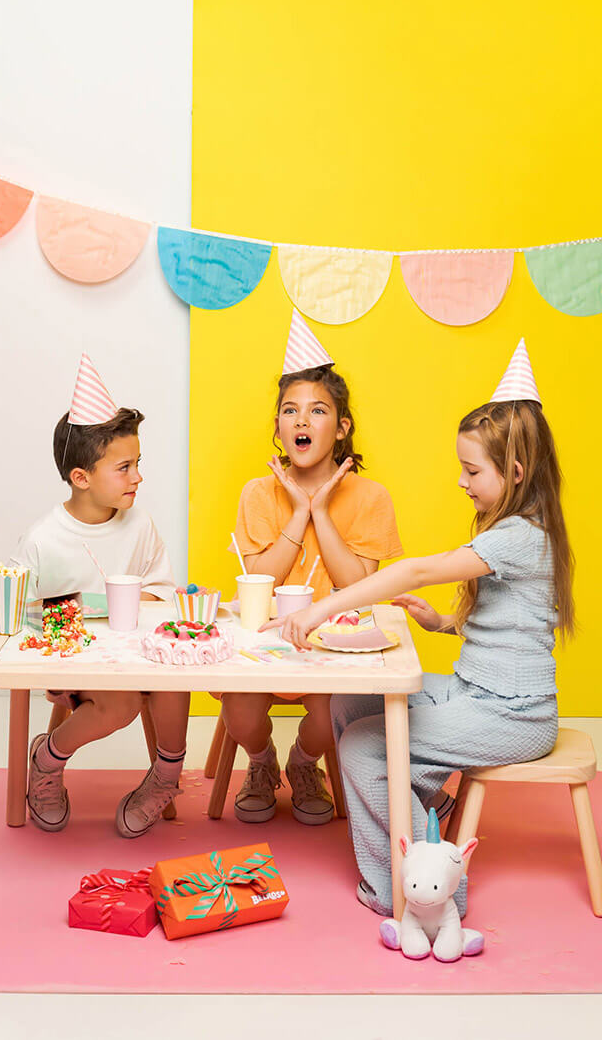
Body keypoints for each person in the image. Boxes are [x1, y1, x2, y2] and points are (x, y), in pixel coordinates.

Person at [268, 340, 573, 916]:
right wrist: (445, 623)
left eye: (471, 470)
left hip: (513, 714)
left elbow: (418, 569)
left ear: (514, 471)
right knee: (350, 706)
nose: (461, 481)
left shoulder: (518, 535)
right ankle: (415, 818)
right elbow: (518, 621)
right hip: (476, 692)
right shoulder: (517, 529)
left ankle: (416, 891)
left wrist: (316, 611)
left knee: (361, 747)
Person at [226, 312, 403, 825]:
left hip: (335, 643)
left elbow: (358, 587)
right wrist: (297, 510)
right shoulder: (257, 494)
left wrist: (321, 512)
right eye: (290, 411)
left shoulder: (371, 497)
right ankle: (261, 764)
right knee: (239, 707)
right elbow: (261, 577)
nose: (302, 421)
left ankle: (304, 764)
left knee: (337, 714)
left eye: (318, 411)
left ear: (342, 428)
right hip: (265, 639)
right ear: (278, 426)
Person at [11, 355, 187, 838]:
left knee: (176, 674)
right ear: (81, 477)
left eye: (138, 464)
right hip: (77, 666)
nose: (138, 478)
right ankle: (46, 760)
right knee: (122, 702)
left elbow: (161, 589)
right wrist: (91, 612)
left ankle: (166, 777)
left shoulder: (140, 524)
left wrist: (137, 605)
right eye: (125, 467)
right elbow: (21, 613)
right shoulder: (43, 539)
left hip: (140, 657)